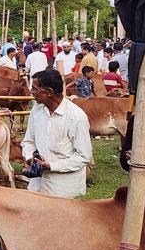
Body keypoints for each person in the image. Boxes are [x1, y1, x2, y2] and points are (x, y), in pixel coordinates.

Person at [21, 69, 92, 198]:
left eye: (35, 88)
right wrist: (30, 157)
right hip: (37, 186)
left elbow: (83, 157)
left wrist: (52, 166)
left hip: (64, 190)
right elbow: (28, 141)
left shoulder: (76, 117)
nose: (31, 92)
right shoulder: (36, 111)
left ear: (49, 92)